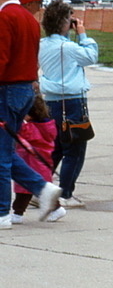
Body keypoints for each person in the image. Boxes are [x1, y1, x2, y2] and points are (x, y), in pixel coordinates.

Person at [0, 0, 61, 228]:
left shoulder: (5, 17)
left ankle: (3, 211)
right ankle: (43, 189)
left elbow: (1, 58)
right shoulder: (28, 18)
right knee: (4, 150)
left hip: (7, 90)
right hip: (25, 89)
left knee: (1, 156)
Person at [39, 0, 99, 207]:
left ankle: (42, 190)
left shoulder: (42, 44)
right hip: (72, 101)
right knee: (74, 149)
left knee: (54, 148)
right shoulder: (68, 47)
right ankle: (65, 194)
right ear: (66, 22)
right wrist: (82, 33)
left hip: (51, 102)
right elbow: (91, 56)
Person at [10, 92, 65, 223]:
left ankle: (18, 214)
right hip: (40, 165)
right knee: (36, 191)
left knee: (25, 191)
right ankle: (55, 209)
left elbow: (17, 134)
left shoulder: (30, 128)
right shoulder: (47, 126)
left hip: (31, 164)